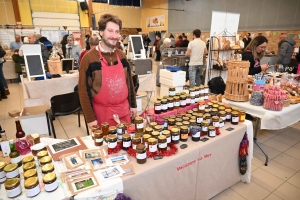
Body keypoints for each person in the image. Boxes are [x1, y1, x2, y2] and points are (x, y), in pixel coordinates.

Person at [78, 13, 137, 128]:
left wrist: (133, 105)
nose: (114, 36)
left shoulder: (122, 56)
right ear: (101, 32)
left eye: (117, 31)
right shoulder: (89, 59)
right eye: (110, 31)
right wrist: (90, 119)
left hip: (124, 112)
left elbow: (129, 82)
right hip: (103, 115)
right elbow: (83, 91)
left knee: (126, 144)